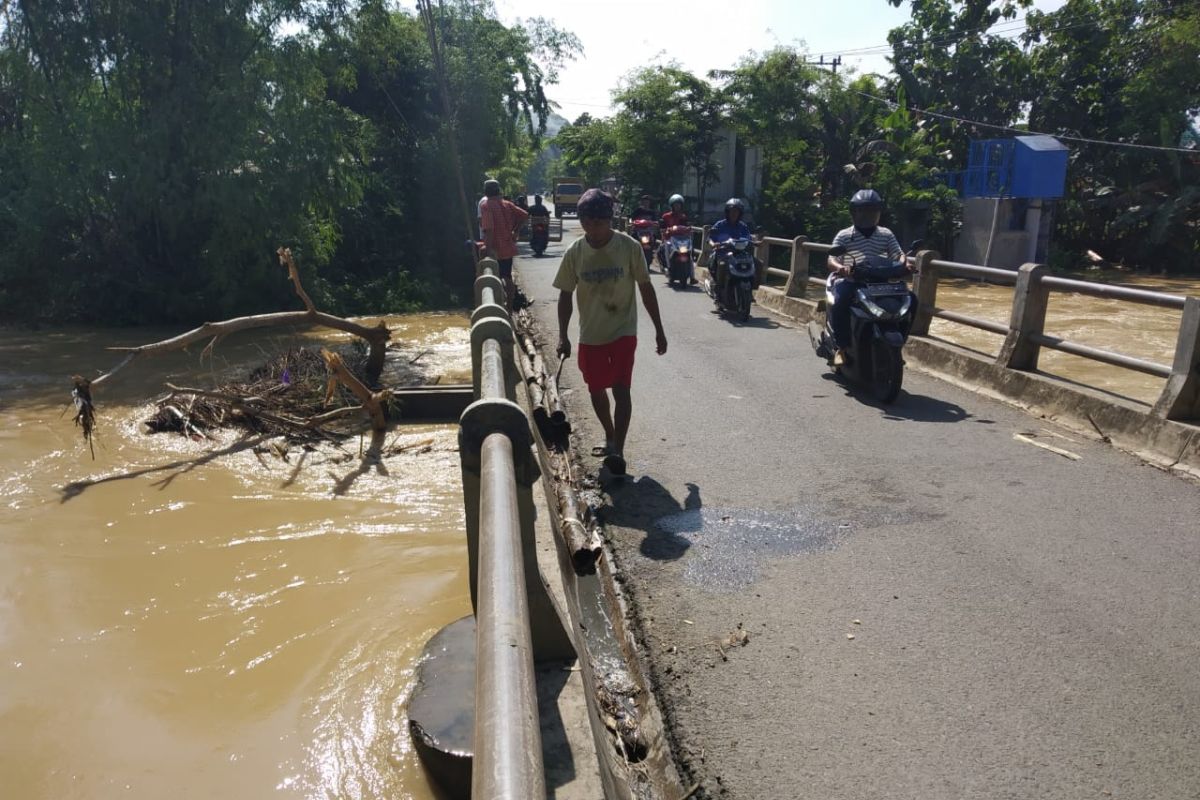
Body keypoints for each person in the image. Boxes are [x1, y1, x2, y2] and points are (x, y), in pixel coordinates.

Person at [555, 189, 667, 476]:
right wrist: (562, 335)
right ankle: (608, 432)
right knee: (595, 388)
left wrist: (659, 329)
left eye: (598, 222)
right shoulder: (575, 252)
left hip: (623, 331)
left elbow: (645, 287)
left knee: (621, 388)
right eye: (587, 222)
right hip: (590, 333)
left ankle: (618, 447)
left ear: (610, 220)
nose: (592, 228)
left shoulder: (629, 247)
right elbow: (565, 295)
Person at [825, 189, 906, 366]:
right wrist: (842, 268)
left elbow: (898, 254)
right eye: (862, 211)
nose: (867, 215)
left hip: (880, 282)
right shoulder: (845, 234)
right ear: (854, 213)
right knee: (840, 303)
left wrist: (903, 264)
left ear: (878, 212)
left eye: (871, 210)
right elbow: (831, 259)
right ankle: (842, 348)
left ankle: (897, 347)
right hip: (852, 281)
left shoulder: (886, 234)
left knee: (909, 300)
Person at [479, 179, 529, 308]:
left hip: (496, 248)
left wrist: (487, 249)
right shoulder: (507, 204)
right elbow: (524, 215)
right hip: (508, 246)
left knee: (496, 277)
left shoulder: (486, 206)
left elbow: (489, 230)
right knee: (507, 277)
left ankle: (498, 305)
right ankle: (510, 307)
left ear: (485, 191)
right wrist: (515, 231)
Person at [706, 198, 754, 296]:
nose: (734, 214)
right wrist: (713, 244)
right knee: (722, 265)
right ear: (727, 212)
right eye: (732, 211)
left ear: (740, 213)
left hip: (739, 255)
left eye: (736, 211)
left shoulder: (743, 226)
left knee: (756, 263)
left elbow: (748, 238)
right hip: (722, 254)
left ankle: (750, 291)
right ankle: (718, 292)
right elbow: (710, 238)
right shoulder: (720, 225)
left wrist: (754, 243)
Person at [659, 193, 696, 283]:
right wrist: (664, 230)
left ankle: (692, 277)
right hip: (669, 239)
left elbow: (686, 227)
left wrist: (690, 229)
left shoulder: (683, 217)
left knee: (689, 255)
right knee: (666, 249)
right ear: (672, 205)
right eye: (675, 205)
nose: (677, 206)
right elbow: (662, 227)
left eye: (679, 204)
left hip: (681, 240)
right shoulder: (666, 216)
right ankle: (669, 267)